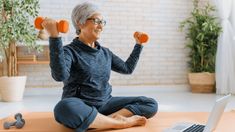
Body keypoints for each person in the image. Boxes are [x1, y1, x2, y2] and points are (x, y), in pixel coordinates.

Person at [42, 2, 158, 132]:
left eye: (103, 22)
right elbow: (60, 76)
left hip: (106, 103)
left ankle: (100, 121)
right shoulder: (69, 51)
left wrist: (138, 45)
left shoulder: (105, 52)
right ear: (80, 23)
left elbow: (127, 68)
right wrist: (54, 37)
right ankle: (118, 123)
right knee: (63, 108)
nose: (101, 26)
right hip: (80, 105)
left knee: (150, 103)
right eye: (97, 21)